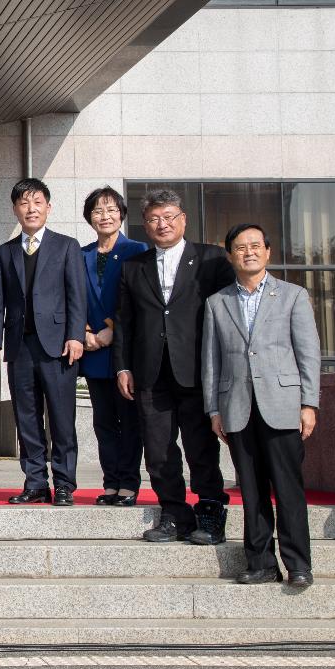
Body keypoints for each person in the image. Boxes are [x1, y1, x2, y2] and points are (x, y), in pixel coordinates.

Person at [204, 223, 320, 588]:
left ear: (268, 252)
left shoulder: (293, 296)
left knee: (288, 489)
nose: (249, 252)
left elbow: (308, 354)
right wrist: (213, 410)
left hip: (282, 405)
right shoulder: (217, 302)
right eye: (240, 247)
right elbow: (211, 362)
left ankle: (298, 564)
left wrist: (308, 403)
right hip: (237, 407)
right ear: (230, 255)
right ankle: (261, 563)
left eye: (256, 246)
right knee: (251, 492)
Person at [115, 188, 233, 544]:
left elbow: (228, 315)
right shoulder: (134, 266)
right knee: (158, 448)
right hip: (150, 371)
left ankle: (210, 511)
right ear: (145, 224)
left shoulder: (212, 260)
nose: (161, 224)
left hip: (197, 369)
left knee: (201, 446)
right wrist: (123, 366)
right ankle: (173, 514)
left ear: (183, 220)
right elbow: (124, 321)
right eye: (153, 218)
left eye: (168, 217)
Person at [0, 179, 86, 506]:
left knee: (61, 417)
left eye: (37, 202)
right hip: (19, 347)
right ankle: (35, 482)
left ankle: (65, 484)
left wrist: (75, 335)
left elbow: (76, 294)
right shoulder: (5, 252)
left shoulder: (66, 246)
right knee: (26, 419)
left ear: (48, 207)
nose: (31, 209)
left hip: (58, 346)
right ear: (15, 209)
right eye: (24, 204)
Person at [79, 187, 149, 506]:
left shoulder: (137, 250)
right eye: (97, 211)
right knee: (103, 421)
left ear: (121, 213)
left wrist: (111, 330)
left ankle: (129, 483)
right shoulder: (82, 254)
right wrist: (85, 331)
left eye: (110, 210)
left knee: (129, 420)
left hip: (126, 352)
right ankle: (110, 483)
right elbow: (73, 298)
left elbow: (141, 300)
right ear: (89, 217)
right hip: (93, 351)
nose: (104, 216)